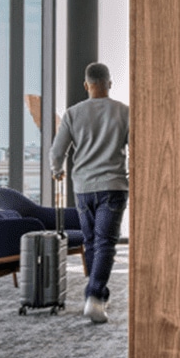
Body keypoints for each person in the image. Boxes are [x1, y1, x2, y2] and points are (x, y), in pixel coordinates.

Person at [50, 62, 129, 324]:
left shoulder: (72, 113)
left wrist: (56, 169)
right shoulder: (124, 112)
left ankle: (96, 296)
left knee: (92, 243)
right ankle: (95, 296)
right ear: (109, 84)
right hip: (113, 186)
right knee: (106, 242)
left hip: (83, 188)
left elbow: (57, 152)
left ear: (86, 85)